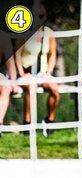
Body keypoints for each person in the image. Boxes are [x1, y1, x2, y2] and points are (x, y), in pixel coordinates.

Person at [14, 4, 60, 136]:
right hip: (25, 72)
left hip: (42, 73)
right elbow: (16, 54)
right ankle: (27, 123)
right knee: (31, 86)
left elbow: (52, 54)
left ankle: (49, 121)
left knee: (55, 90)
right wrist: (21, 73)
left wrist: (48, 72)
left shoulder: (49, 33)